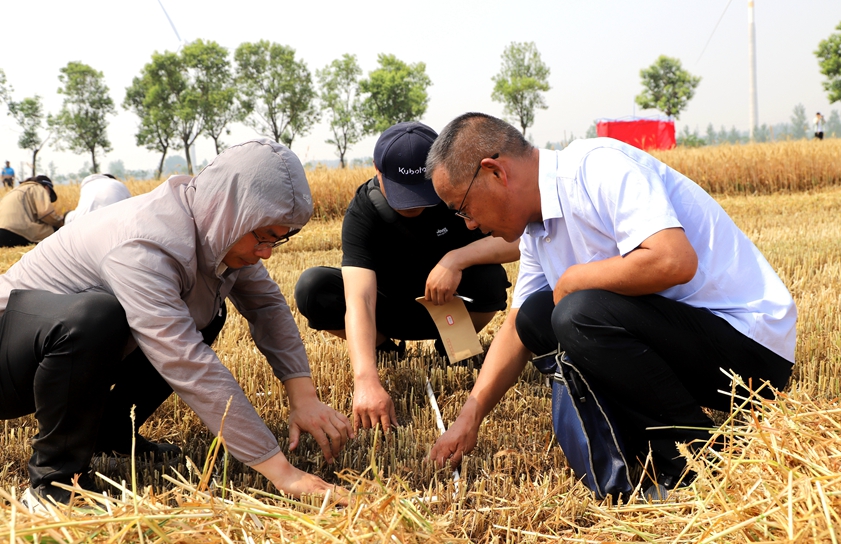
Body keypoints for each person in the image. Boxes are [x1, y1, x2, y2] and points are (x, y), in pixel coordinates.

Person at [426, 112, 796, 494]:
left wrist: (575, 279)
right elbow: (517, 327)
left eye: (463, 208)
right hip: (686, 348)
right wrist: (470, 415)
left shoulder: (596, 168)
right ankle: (641, 448)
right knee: (538, 317)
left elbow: (674, 259)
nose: (468, 224)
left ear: (494, 173)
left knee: (577, 313)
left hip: (749, 353)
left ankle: (697, 455)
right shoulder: (538, 232)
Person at [0, 139, 353, 506]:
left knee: (207, 314)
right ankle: (53, 485)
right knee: (98, 316)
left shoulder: (217, 228)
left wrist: (304, 396)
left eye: (277, 240)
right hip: (8, 359)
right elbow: (184, 360)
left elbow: (266, 305)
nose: (265, 252)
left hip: (55, 355)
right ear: (229, 210)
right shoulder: (144, 243)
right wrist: (284, 474)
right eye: (263, 237)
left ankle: (111, 436)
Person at [295, 122, 518, 433]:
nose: (414, 204)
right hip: (388, 311)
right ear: (377, 170)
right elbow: (359, 297)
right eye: (402, 192)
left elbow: (517, 239)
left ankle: (456, 346)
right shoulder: (363, 211)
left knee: (491, 276)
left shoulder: (459, 193)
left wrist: (455, 259)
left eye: (422, 191)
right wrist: (366, 380)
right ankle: (385, 347)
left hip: (447, 308)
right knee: (312, 288)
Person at [0, 174, 64, 247]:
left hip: (2, 233)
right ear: (46, 187)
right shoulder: (38, 188)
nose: (48, 198)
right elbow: (45, 213)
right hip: (16, 232)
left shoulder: (14, 191)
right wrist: (60, 222)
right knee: (57, 232)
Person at [64, 173, 132, 225]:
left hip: (85, 226)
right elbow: (132, 207)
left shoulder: (87, 186)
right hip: (115, 223)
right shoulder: (118, 184)